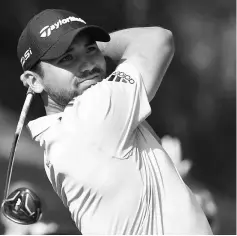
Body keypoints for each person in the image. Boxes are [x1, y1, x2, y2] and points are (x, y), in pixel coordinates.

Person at [17, 8, 212, 234]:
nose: (88, 65)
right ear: (34, 81)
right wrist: (102, 46)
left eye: (90, 50)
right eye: (67, 58)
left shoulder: (56, 142)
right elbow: (157, 39)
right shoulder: (94, 112)